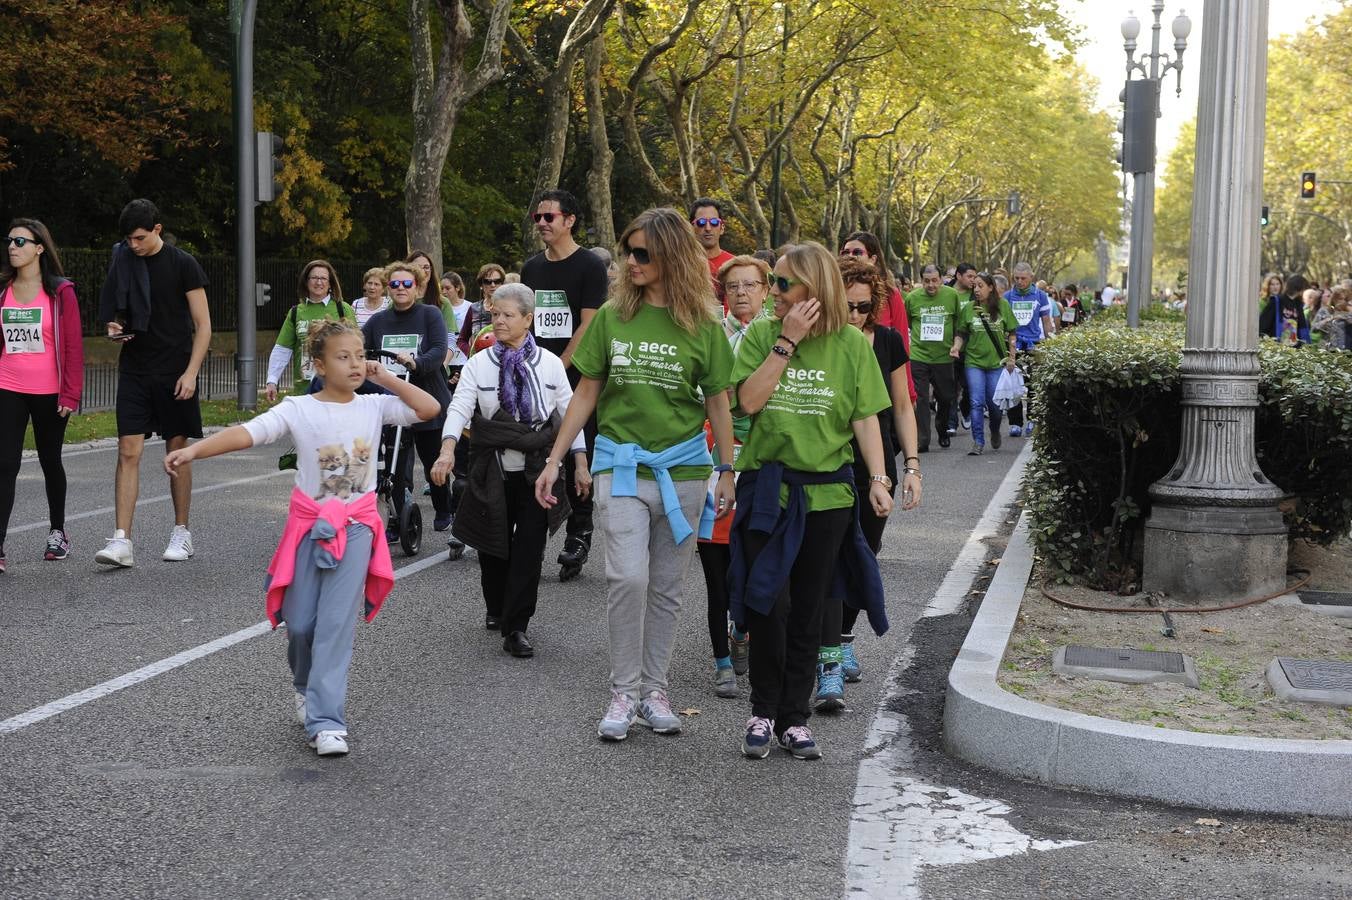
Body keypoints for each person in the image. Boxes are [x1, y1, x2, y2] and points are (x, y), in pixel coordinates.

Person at [164, 319, 440, 756]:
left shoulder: (374, 406)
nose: (354, 363)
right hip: (309, 526)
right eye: (342, 356)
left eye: (358, 354)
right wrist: (194, 449)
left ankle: (327, 721)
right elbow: (247, 433)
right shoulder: (299, 408)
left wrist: (384, 376)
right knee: (303, 624)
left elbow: (428, 410)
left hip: (356, 528)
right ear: (318, 364)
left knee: (334, 624)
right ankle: (304, 684)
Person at [535, 207, 736, 742]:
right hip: (621, 466)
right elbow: (585, 393)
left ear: (670, 256)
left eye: (642, 253)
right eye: (627, 251)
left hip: (686, 470)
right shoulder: (611, 317)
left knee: (667, 587)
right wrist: (556, 460)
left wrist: (727, 470)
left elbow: (718, 402)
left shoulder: (703, 324)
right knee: (628, 578)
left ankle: (655, 690)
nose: (631, 261)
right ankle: (623, 691)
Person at [728, 241, 904, 761]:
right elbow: (749, 401)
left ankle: (794, 719)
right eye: (773, 283)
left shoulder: (852, 344)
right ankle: (762, 710)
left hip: (827, 493)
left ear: (814, 288)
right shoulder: (764, 331)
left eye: (783, 283)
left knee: (808, 607)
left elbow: (865, 417)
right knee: (767, 604)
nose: (773, 292)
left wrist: (879, 477)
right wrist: (786, 341)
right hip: (767, 488)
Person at [429, 283, 589, 657]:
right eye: (495, 314)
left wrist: (580, 462)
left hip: (539, 471)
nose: (498, 321)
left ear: (528, 319)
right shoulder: (479, 363)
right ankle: (497, 607)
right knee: (492, 543)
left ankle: (517, 626)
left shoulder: (550, 364)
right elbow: (460, 407)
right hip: (492, 467)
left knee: (530, 549)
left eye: (507, 315)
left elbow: (569, 418)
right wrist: (448, 449)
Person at [814, 257, 921, 703]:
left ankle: (841, 637)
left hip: (876, 466)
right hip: (828, 462)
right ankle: (829, 656)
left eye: (862, 308)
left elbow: (901, 405)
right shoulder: (821, 340)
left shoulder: (890, 341)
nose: (855, 316)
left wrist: (913, 465)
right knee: (829, 558)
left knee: (864, 555)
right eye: (848, 306)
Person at [94, 199, 211, 568]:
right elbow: (117, 312)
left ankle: (181, 532)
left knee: (177, 452)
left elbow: (203, 325)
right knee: (127, 451)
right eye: (128, 239)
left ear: (157, 230)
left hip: (175, 369)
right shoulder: (123, 259)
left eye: (140, 238)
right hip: (135, 368)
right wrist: (114, 328)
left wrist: (191, 372)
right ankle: (121, 541)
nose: (133, 245)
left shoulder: (183, 264)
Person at [520, 189, 610, 580]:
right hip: (533, 373)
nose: (541, 223)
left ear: (570, 220)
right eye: (538, 217)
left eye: (549, 217)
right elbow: (527, 320)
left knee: (578, 451)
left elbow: (589, 323)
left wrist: (559, 365)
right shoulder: (532, 269)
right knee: (536, 451)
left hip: (576, 374)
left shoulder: (589, 266)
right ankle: (534, 532)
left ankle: (581, 528)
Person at [697, 254, 772, 699]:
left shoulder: (780, 335)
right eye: (733, 286)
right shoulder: (709, 334)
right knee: (715, 571)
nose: (741, 293)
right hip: (715, 453)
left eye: (750, 285)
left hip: (762, 455)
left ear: (766, 289)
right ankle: (722, 662)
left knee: (755, 565)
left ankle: (742, 630)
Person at [0, 219, 83, 574]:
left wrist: (71, 392)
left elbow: (73, 346)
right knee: (5, 464)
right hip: (8, 386)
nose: (12, 246)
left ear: (39, 249)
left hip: (50, 391)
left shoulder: (60, 292)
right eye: (9, 241)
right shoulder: (2, 290)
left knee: (51, 461)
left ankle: (58, 531)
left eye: (20, 241)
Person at [362, 263, 453, 531]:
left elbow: (439, 349)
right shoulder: (378, 321)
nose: (400, 289)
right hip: (391, 399)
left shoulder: (430, 314)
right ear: (388, 288)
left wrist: (417, 362)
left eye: (407, 284)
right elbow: (362, 348)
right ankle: (396, 516)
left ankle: (443, 507)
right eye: (395, 284)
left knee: (431, 459)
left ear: (418, 287)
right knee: (394, 464)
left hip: (426, 396)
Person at [265, 260, 354, 402]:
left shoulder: (343, 309)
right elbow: (282, 349)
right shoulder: (295, 312)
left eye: (323, 278)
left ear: (330, 283)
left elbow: (356, 346)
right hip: (304, 389)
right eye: (314, 278)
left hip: (337, 387)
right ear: (306, 281)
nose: (319, 282)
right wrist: (272, 380)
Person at [904, 264, 968, 451]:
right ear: (921, 280)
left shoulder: (951, 296)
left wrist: (956, 345)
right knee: (921, 398)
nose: (931, 285)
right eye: (926, 281)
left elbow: (958, 323)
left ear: (941, 280)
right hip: (919, 356)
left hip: (944, 357)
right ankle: (923, 439)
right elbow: (908, 322)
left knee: (946, 397)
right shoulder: (912, 298)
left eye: (934, 281)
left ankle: (941, 428)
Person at [960, 273, 1018, 456]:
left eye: (980, 286)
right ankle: (978, 441)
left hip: (996, 364)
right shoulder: (969, 309)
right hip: (973, 362)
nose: (976, 289)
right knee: (976, 402)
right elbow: (961, 333)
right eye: (974, 286)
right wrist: (955, 347)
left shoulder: (1003, 306)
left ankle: (994, 430)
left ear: (991, 287)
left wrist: (1012, 358)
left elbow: (1012, 334)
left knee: (994, 405)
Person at [1004, 261, 1056, 438]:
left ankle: (1032, 419)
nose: (1019, 281)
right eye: (1016, 278)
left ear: (1031, 277)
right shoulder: (1007, 297)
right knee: (1014, 386)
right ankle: (1015, 423)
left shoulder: (1040, 296)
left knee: (1033, 385)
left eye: (1023, 278)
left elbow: (1047, 322)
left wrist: (1050, 345)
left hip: (1034, 346)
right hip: (1013, 347)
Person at [691, 198, 735, 304]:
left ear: (722, 228)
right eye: (701, 222)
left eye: (714, 222)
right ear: (691, 228)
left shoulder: (734, 264)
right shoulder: (681, 264)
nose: (708, 228)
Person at [1259, 274, 1311, 346]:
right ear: (1300, 289)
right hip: (1277, 348)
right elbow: (1263, 325)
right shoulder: (1277, 301)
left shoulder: (1298, 304)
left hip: (1294, 349)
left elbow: (1302, 327)